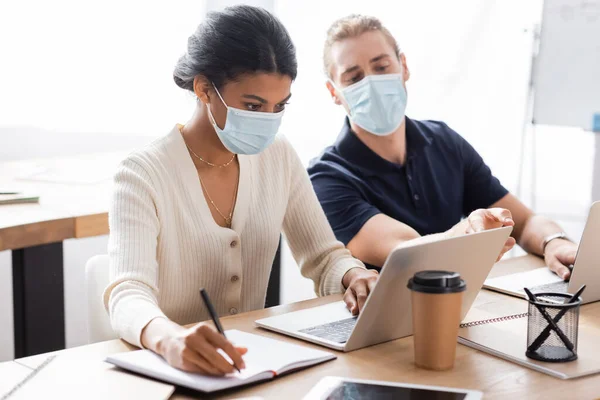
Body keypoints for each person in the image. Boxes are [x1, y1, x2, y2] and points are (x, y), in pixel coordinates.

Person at [103, 6, 379, 377]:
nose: (267, 120)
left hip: (253, 370)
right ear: (204, 89)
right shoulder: (141, 174)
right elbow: (127, 294)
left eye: (279, 106)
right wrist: (170, 339)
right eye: (252, 105)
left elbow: (324, 256)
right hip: (173, 374)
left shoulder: (277, 154)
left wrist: (353, 275)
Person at [308, 14, 576, 276]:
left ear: (404, 66)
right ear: (334, 92)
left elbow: (525, 221)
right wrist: (467, 232)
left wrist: (554, 241)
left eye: (381, 67)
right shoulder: (327, 177)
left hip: (460, 306)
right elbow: (408, 252)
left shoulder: (444, 142)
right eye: (354, 78)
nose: (371, 83)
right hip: (382, 317)